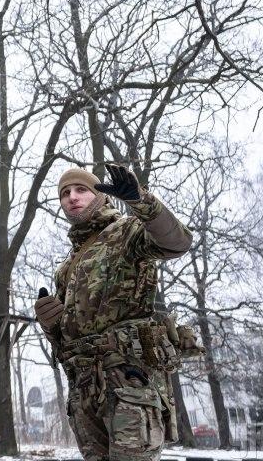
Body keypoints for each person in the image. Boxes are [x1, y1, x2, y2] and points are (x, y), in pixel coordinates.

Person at [34, 164, 195, 461]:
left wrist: (141, 201)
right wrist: (51, 325)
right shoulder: (66, 268)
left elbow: (178, 242)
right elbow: (63, 345)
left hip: (128, 380)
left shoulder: (126, 232)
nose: (72, 197)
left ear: (101, 196)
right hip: (85, 389)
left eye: (81, 189)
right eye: (65, 193)